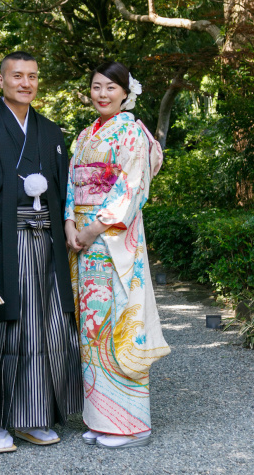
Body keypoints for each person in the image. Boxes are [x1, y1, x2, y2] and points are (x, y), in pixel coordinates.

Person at [0, 51, 83, 453]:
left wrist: (71, 227)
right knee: (1, 329)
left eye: (33, 77)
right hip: (1, 246)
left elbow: (66, 191)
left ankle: (34, 417)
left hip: (46, 246)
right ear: (2, 80)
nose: (26, 83)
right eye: (18, 76)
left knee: (46, 328)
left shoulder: (51, 132)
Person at [65, 61, 170, 450]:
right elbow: (70, 185)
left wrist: (93, 228)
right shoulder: (84, 135)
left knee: (118, 326)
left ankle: (133, 426)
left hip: (111, 240)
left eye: (111, 87)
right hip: (83, 242)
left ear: (126, 93)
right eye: (96, 86)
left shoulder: (131, 131)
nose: (103, 94)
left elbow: (131, 188)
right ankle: (102, 420)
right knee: (92, 329)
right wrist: (69, 223)